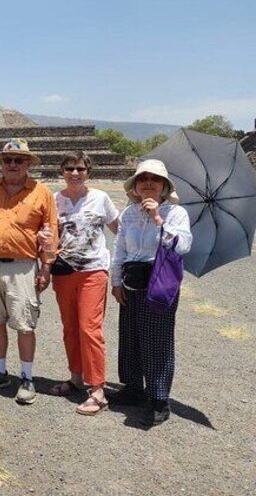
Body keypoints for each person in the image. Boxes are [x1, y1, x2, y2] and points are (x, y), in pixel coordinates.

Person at [0, 138, 57, 405]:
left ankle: (27, 376)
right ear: (1, 163)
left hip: (23, 267)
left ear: (28, 163)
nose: (13, 164)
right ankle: (0, 370)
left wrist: (46, 266)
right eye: (7, 160)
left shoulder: (42, 193)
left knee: (24, 324)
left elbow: (51, 233)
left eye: (18, 160)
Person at [110, 159, 192, 426]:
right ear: (135, 185)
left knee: (157, 340)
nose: (148, 183)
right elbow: (120, 248)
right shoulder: (129, 213)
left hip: (160, 281)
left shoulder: (176, 213)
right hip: (132, 279)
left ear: (164, 186)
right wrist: (116, 281)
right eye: (142, 179)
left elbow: (182, 246)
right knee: (131, 335)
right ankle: (134, 388)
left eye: (154, 179)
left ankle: (158, 398)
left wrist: (158, 219)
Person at [44, 152, 119, 416]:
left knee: (90, 328)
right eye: (69, 168)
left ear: (89, 171)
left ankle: (98, 389)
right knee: (70, 328)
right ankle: (76, 377)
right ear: (61, 171)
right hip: (64, 271)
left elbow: (118, 230)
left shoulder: (101, 198)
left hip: (93, 271)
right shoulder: (53, 200)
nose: (75, 173)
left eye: (80, 168)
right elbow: (49, 236)